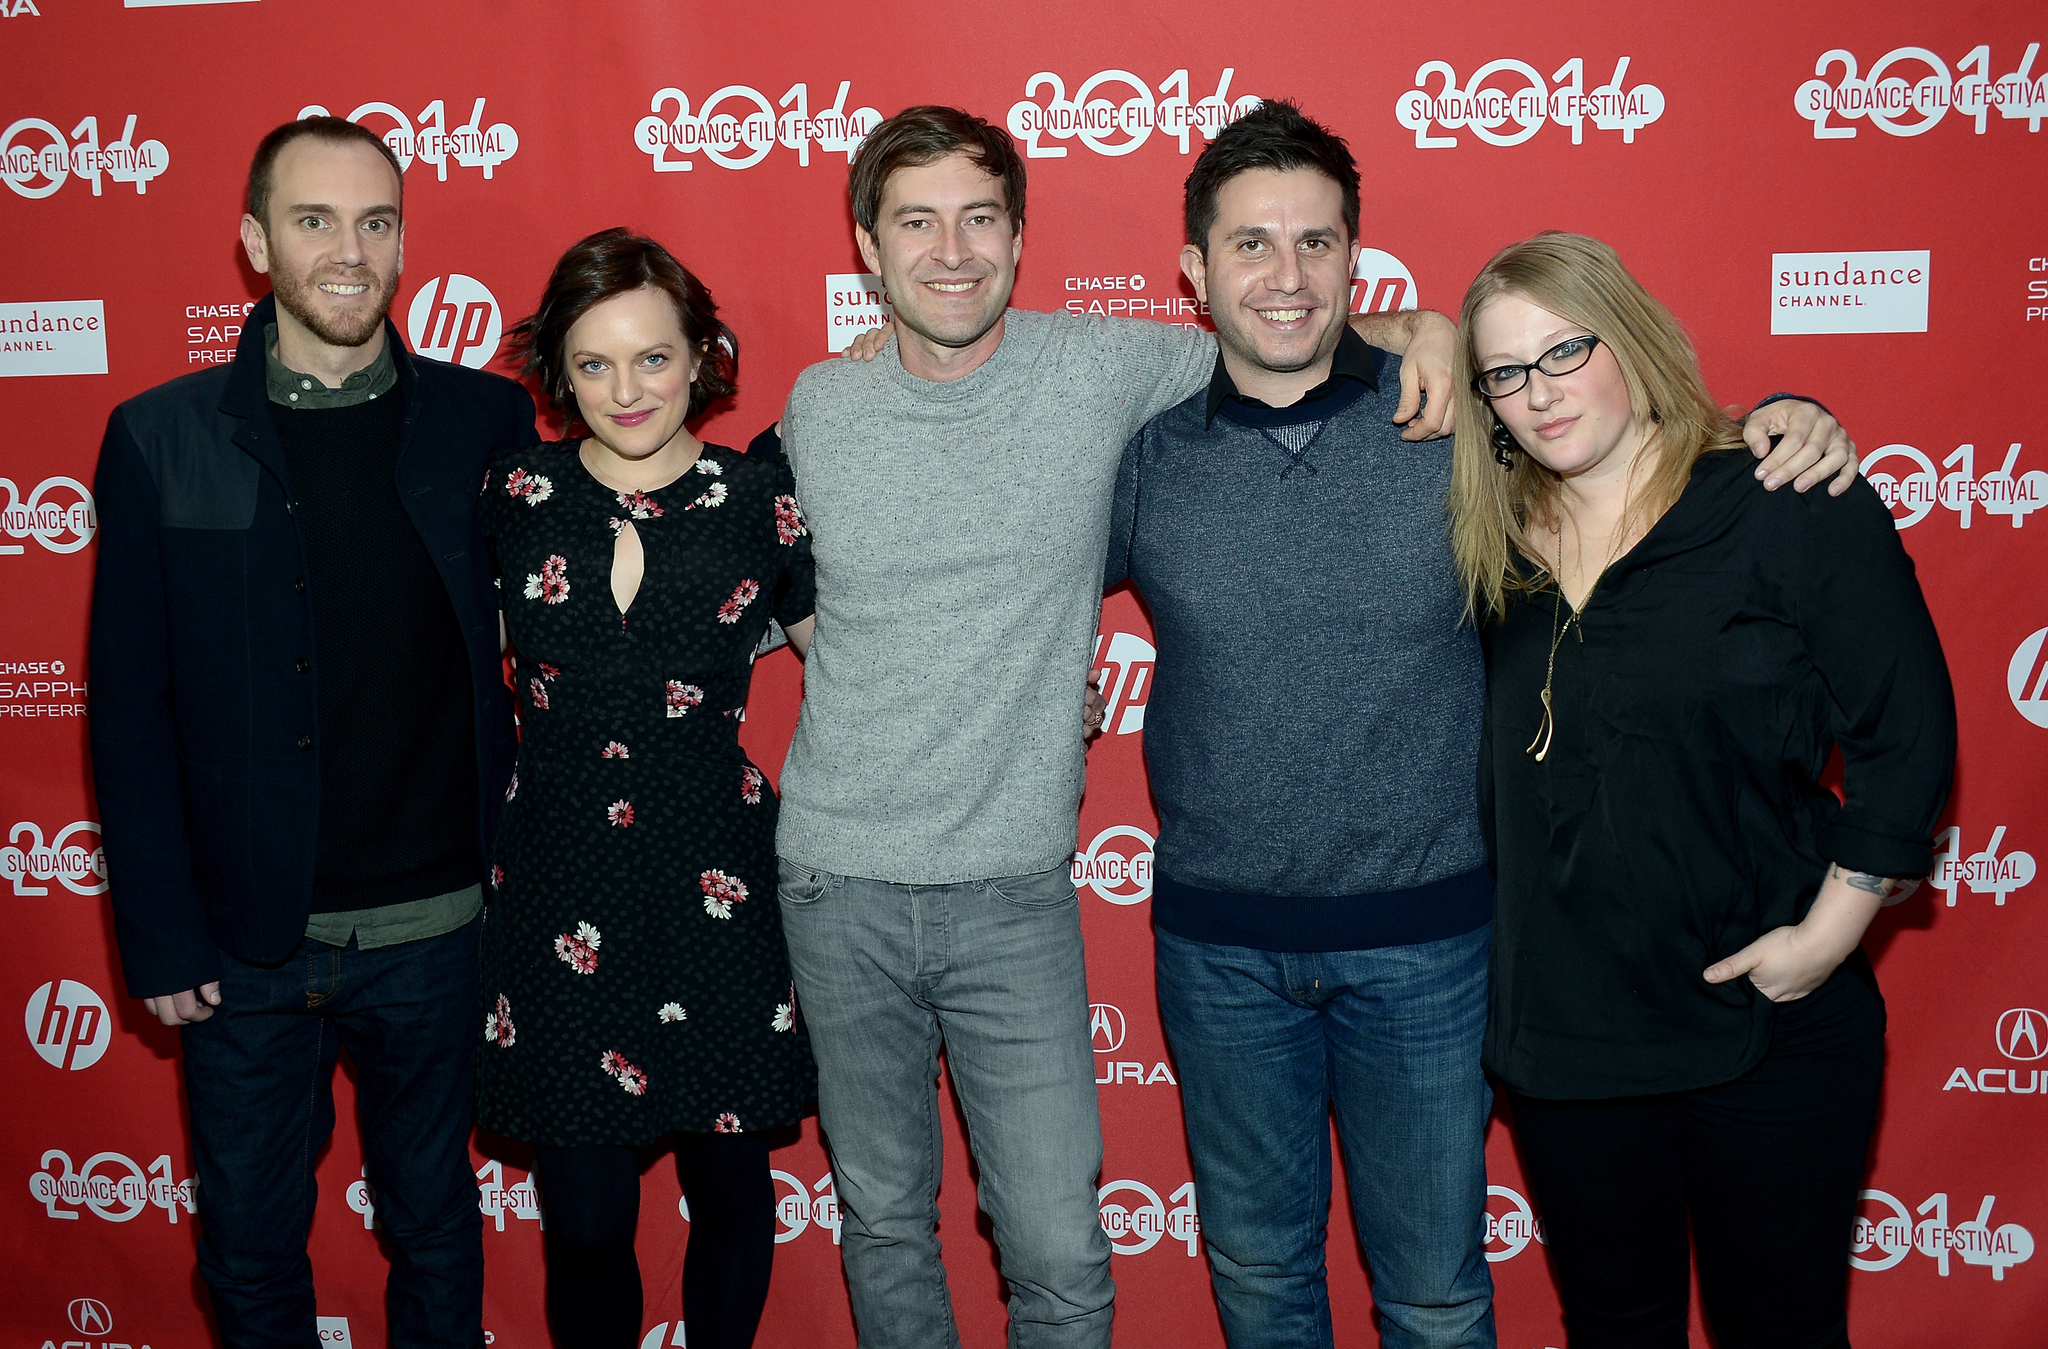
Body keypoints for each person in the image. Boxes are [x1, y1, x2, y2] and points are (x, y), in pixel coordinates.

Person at [1105, 103, 1858, 1349]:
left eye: (1315, 242)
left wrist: (1780, 418)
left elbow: (1640, 463)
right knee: (1256, 1276)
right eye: (1249, 245)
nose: (1284, 276)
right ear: (1193, 270)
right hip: (1217, 950)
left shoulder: (1464, 430)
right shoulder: (1146, 459)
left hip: (1433, 946)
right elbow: (999, 585)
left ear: (1357, 256)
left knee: (1437, 1291)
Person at [767, 104, 1460, 1349]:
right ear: (866, 249)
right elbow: (728, 563)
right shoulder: (817, 406)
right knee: (879, 1215)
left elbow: (1287, 333)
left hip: (1013, 885)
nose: (951, 251)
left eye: (980, 218)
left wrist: (1431, 328)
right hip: (834, 880)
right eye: (914, 222)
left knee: (1056, 1249)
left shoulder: (1106, 368)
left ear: (1021, 238)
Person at [1452, 232, 1955, 1348]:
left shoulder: (1782, 499)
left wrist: (1823, 940)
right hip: (1567, 1041)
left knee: (1776, 1326)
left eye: (1564, 350)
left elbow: (1904, 730)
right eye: (1504, 371)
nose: (1538, 393)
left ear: (1624, 340)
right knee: (1613, 1324)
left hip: (1765, 1023)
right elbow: (1303, 349)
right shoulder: (1484, 544)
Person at [87, 116, 536, 1348]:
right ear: (253, 242)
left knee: (439, 1228)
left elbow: (627, 512)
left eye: (376, 221)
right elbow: (127, 708)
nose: (351, 251)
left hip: (441, 925)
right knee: (246, 1249)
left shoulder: (483, 423)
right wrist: (162, 929)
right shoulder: (158, 436)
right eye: (315, 219)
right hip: (241, 945)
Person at [478, 229, 818, 1349]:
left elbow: (866, 669)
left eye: (653, 359)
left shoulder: (762, 499)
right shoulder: (512, 493)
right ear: (558, 373)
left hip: (714, 878)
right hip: (555, 873)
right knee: (581, 1218)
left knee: (727, 1190)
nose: (626, 390)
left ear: (700, 356)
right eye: (593, 364)